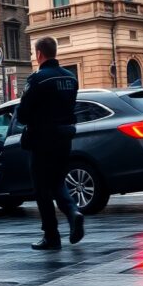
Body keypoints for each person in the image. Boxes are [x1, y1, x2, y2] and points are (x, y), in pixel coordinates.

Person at [16, 37, 85, 250]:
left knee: (42, 188)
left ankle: (52, 236)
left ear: (39, 54)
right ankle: (73, 212)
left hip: (42, 140)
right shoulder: (71, 78)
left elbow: (24, 114)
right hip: (65, 138)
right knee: (57, 181)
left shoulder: (37, 79)